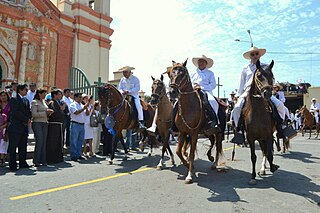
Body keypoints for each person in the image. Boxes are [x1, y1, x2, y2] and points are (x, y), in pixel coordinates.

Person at [228, 46, 293, 143]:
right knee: (236, 109)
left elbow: (272, 79)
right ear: (250, 56)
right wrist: (238, 95)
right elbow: (241, 84)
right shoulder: (245, 69)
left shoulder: (266, 66)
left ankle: (281, 126)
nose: (254, 56)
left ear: (260, 55)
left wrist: (270, 88)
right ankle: (239, 131)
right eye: (252, 54)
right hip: (247, 92)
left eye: (256, 54)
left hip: (263, 91)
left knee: (280, 105)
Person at [190, 55, 220, 131]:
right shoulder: (192, 74)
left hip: (206, 91)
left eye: (203, 61)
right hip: (193, 91)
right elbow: (189, 84)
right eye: (199, 61)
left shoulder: (210, 73)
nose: (201, 63)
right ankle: (174, 124)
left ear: (206, 63)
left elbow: (213, 85)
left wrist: (202, 87)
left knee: (212, 102)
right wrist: (194, 87)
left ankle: (214, 121)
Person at [7, 84, 31, 171]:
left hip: (24, 127)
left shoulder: (26, 100)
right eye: (25, 89)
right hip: (15, 126)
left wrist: (29, 118)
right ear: (20, 90)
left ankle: (22, 162)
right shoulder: (14, 100)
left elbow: (28, 111)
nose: (26, 91)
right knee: (13, 146)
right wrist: (26, 119)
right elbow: (16, 112)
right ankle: (12, 164)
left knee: (23, 145)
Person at [31, 89, 53, 167]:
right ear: (39, 94)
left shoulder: (44, 102)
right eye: (43, 93)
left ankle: (43, 160)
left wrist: (49, 113)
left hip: (45, 122)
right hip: (37, 123)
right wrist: (45, 113)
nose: (44, 95)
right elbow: (34, 114)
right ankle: (36, 161)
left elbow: (45, 113)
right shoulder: (34, 102)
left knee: (44, 142)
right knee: (39, 141)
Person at [46, 89, 65, 164]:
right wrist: (61, 110)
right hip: (54, 124)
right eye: (59, 94)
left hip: (58, 124)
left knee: (58, 141)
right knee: (53, 142)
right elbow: (54, 113)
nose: (61, 96)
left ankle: (57, 157)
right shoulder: (52, 103)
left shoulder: (58, 103)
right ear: (55, 95)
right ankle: (52, 158)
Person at [69, 92, 88, 161]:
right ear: (75, 98)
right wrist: (84, 108)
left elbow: (87, 114)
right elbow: (76, 112)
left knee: (80, 141)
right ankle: (73, 155)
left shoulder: (82, 105)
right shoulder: (73, 105)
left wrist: (87, 107)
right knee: (74, 140)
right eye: (79, 97)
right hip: (75, 124)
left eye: (81, 98)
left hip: (82, 124)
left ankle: (78, 154)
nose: (81, 99)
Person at [0, 91, 10, 166]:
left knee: (4, 142)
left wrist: (4, 126)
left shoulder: (10, 105)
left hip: (7, 126)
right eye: (2, 95)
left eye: (4, 95)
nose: (3, 97)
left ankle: (2, 159)